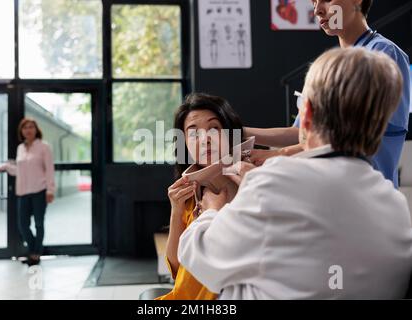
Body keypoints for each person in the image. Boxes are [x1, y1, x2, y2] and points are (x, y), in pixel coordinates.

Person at [178, 47, 412, 299]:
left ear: (307, 114)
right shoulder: (396, 205)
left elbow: (200, 257)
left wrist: (212, 210)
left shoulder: (274, 183)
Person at [245, 0, 410, 188]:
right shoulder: (328, 69)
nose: (317, 10)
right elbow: (301, 133)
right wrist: (241, 132)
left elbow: (347, 135)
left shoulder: (383, 55)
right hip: (331, 191)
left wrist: (278, 155)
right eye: (313, 2)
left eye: (326, 0)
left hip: (367, 193)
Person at [156, 93, 244, 300]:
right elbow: (177, 268)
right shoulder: (189, 192)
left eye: (214, 128)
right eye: (193, 133)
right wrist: (176, 212)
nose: (205, 140)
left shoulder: (252, 187)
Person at [0, 118, 55, 266]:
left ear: (36, 130)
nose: (28, 130)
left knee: (39, 223)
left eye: (31, 127)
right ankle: (34, 249)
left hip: (40, 190)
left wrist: (50, 189)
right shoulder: (20, 148)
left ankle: (35, 253)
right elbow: (18, 170)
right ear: (21, 131)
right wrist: (4, 167)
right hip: (22, 192)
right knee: (22, 225)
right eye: (25, 128)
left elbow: (49, 170)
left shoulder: (44, 147)